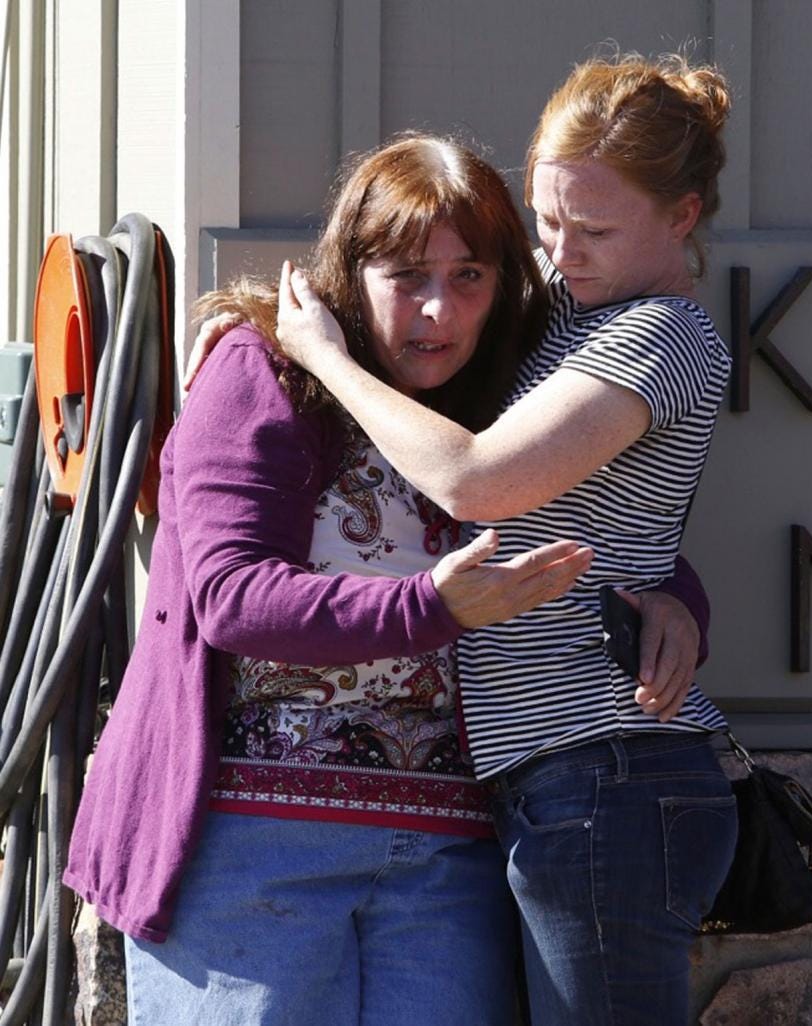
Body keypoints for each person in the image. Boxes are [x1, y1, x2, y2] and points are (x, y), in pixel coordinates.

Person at [63, 134, 712, 1026]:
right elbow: (231, 595)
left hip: (450, 857)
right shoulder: (263, 372)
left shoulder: (505, 397)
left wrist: (679, 600)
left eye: (471, 276)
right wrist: (430, 607)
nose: (438, 311)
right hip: (248, 844)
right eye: (407, 274)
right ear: (350, 271)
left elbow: (598, 533)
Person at [268, 53, 738, 1025]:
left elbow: (477, 477)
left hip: (607, 776)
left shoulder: (665, 337)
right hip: (541, 780)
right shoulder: (564, 306)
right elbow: (609, 530)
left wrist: (319, 355)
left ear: (683, 217)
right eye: (548, 217)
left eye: (595, 228)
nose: (560, 249)